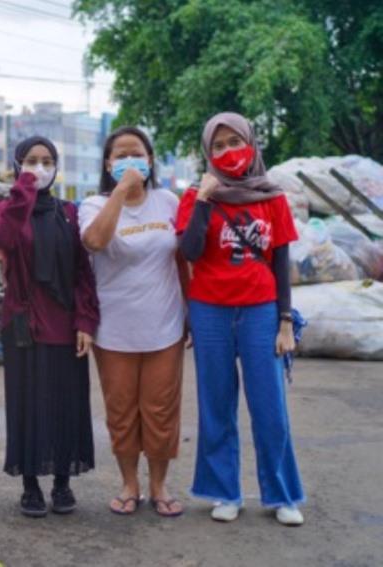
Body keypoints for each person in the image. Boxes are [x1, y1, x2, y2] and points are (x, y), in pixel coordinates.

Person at [177, 112, 305, 526]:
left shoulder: (273, 197)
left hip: (261, 311)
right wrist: (202, 198)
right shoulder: (197, 196)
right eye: (218, 145)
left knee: (270, 408)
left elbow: (281, 260)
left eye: (236, 142)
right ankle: (225, 492)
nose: (229, 152)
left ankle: (282, 495)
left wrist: (285, 322)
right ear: (207, 153)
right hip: (209, 309)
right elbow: (191, 252)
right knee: (216, 405)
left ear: (251, 144)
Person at [0, 136, 100, 518]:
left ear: (58, 166)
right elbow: (3, 238)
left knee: (66, 404)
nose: (39, 167)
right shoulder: (4, 209)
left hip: (66, 323)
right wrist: (23, 194)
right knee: (28, 405)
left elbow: (84, 273)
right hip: (24, 323)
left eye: (47, 160)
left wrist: (86, 321)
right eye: (31, 161)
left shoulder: (70, 212)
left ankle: (63, 482)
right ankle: (31, 485)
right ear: (17, 165)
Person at [79, 127, 188, 517]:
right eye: (119, 155)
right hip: (114, 331)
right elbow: (95, 242)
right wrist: (121, 193)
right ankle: (129, 484)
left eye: (136, 153)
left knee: (160, 411)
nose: (129, 160)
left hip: (165, 327)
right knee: (122, 412)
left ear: (151, 160)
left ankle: (160, 485)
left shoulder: (168, 201)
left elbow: (183, 258)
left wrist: (191, 312)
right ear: (108, 164)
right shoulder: (94, 205)